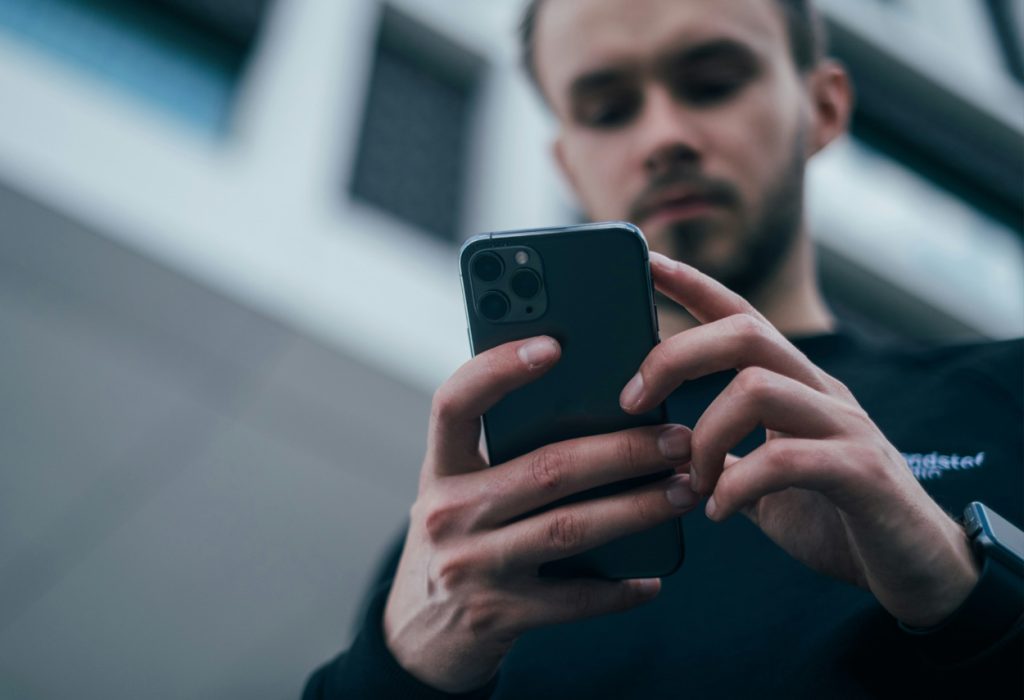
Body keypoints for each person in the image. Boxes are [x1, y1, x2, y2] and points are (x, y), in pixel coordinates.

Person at [303, 0, 1023, 696]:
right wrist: (397, 670)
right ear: (568, 164)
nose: (663, 136)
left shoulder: (1006, 394)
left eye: (712, 84)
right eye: (609, 110)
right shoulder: (466, 536)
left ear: (823, 108)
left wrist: (967, 592)